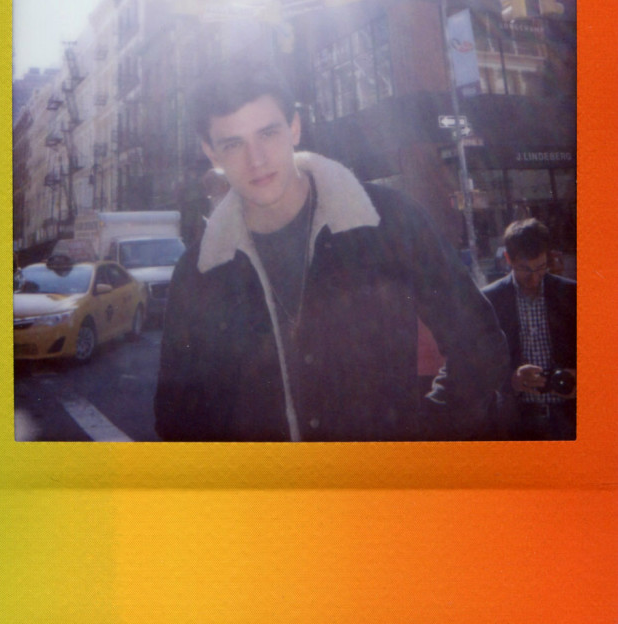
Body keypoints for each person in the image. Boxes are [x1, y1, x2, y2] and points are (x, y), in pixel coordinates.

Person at [155, 58, 509, 442]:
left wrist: (427, 432)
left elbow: (478, 342)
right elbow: (178, 416)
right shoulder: (198, 271)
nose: (256, 160)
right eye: (233, 144)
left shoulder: (388, 220)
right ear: (211, 153)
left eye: (268, 133)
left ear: (294, 127)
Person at [483, 218, 576, 440]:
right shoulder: (490, 300)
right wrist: (511, 380)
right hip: (515, 420)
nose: (534, 278)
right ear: (508, 259)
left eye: (541, 267)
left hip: (568, 416)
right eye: (525, 269)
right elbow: (479, 362)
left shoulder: (572, 294)